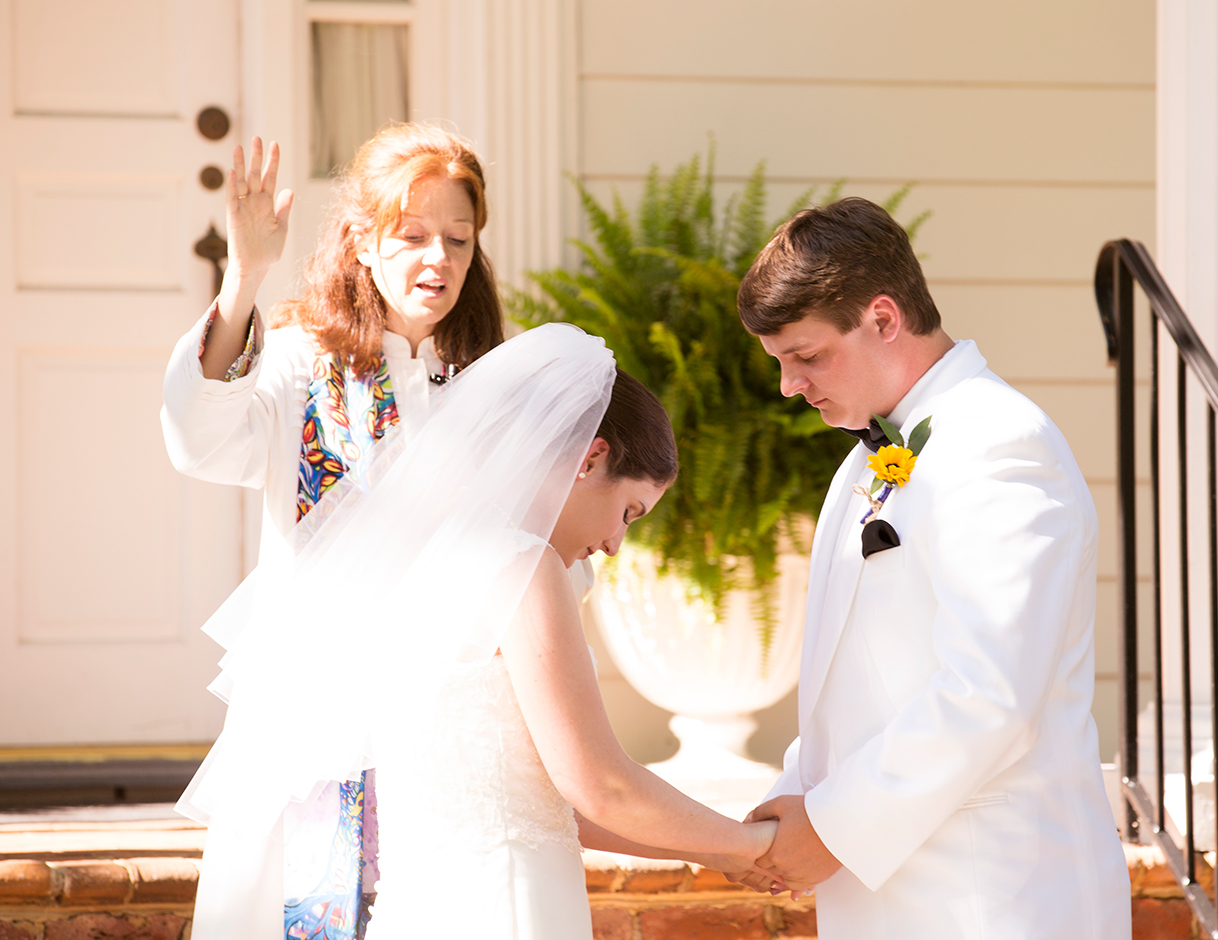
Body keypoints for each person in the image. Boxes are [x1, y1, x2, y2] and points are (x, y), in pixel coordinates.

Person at [182, 323, 779, 940]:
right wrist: (754, 842)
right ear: (591, 457)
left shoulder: (418, 566)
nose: (613, 543)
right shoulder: (523, 566)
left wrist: (716, 852)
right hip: (507, 906)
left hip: (421, 908)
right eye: (629, 511)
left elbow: (554, 798)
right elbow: (597, 785)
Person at [733, 197, 1131, 939]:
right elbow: (859, 687)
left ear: (884, 317)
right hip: (891, 896)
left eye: (807, 357)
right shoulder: (865, 461)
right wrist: (792, 805)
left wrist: (826, 830)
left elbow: (990, 691)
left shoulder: (1004, 445)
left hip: (991, 898)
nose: (790, 386)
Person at [161, 124, 507, 938]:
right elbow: (198, 439)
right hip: (312, 716)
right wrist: (244, 276)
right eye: (414, 236)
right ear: (361, 239)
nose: (439, 260)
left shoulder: (491, 379)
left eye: (458, 240)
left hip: (443, 713)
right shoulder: (296, 361)